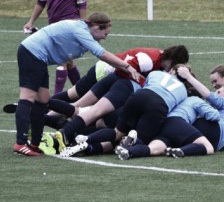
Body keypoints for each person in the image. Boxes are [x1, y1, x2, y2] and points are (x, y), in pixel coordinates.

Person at [13, 12, 141, 156]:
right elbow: (102, 54)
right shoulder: (81, 31)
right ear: (97, 28)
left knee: (43, 99)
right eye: (105, 34)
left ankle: (34, 144)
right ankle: (20, 143)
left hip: (39, 58)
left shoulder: (84, 30)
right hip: (32, 53)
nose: (105, 38)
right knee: (27, 97)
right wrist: (127, 66)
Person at [43, 46, 190, 149]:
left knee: (79, 107)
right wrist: (138, 78)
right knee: (93, 113)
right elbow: (128, 66)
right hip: (119, 80)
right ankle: (62, 134)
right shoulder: (151, 61)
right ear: (172, 60)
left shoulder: (155, 59)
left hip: (113, 76)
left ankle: (39, 114)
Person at [115, 65, 224, 160]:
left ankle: (129, 150)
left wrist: (188, 76)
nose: (215, 91)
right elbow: (214, 117)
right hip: (179, 125)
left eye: (219, 91)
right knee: (207, 147)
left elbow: (209, 98)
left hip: (168, 122)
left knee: (154, 149)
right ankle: (180, 150)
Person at [59, 67, 188, 157]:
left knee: (116, 132)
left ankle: (87, 138)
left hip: (139, 96)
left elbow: (146, 86)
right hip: (158, 105)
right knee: (142, 140)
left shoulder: (156, 73)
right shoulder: (183, 91)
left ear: (171, 71)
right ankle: (130, 143)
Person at [23, 0, 88, 93]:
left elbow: (82, 2)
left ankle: (56, 99)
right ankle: (82, 92)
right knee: (69, 62)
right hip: (52, 25)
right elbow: (41, 0)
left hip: (70, 24)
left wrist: (83, 22)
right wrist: (31, 21)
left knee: (62, 60)